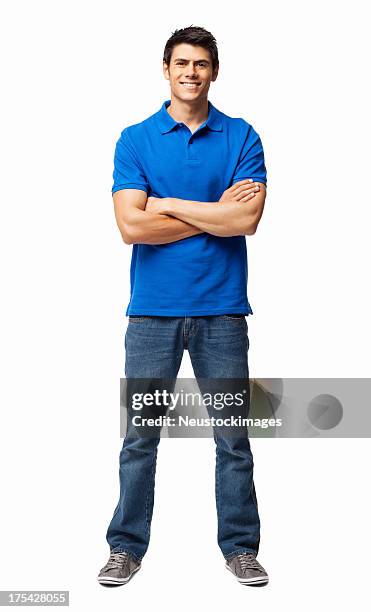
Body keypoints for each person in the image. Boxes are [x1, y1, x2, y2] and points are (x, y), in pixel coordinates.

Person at [98, 25, 269, 587]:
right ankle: (125, 547)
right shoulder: (136, 139)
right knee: (140, 436)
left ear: (214, 71)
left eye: (201, 64)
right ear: (166, 70)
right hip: (151, 313)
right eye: (181, 63)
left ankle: (240, 548)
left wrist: (165, 204)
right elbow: (130, 226)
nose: (191, 73)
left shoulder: (241, 136)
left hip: (223, 311)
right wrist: (205, 209)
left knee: (233, 437)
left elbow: (244, 219)